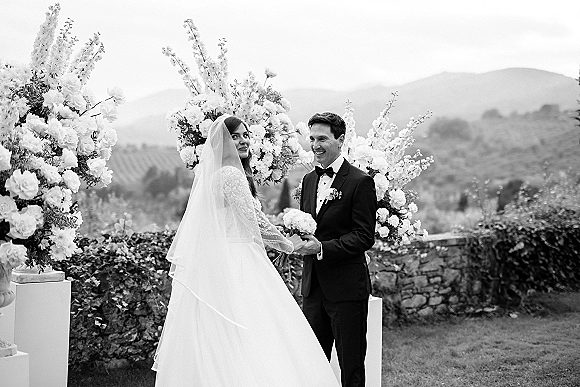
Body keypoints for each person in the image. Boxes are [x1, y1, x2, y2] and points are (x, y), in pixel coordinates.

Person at [153, 115, 341, 387]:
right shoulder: (231, 175)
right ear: (223, 143)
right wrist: (289, 244)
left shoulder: (221, 174)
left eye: (245, 135)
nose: (243, 141)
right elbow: (255, 224)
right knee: (255, 331)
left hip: (225, 258)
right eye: (235, 136)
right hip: (238, 260)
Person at [294, 112, 378, 387]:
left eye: (323, 139)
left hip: (345, 291)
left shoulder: (360, 181)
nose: (315, 145)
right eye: (312, 139)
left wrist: (322, 248)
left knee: (351, 368)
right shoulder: (308, 180)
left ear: (340, 140)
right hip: (313, 289)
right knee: (313, 367)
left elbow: (364, 236)